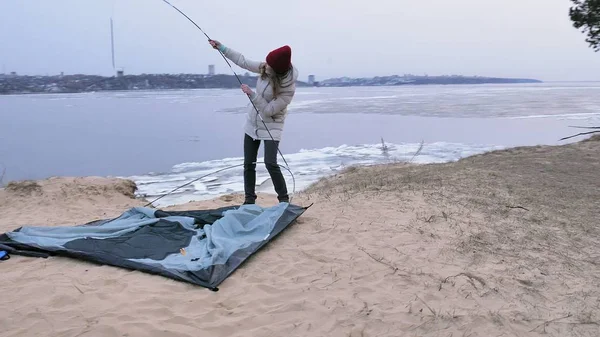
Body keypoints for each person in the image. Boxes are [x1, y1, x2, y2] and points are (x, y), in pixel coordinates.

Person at [208, 39, 299, 205]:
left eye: (270, 65)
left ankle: (284, 200)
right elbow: (242, 60)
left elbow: (269, 110)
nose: (266, 66)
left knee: (270, 163)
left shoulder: (288, 88)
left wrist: (252, 94)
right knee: (248, 163)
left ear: (278, 71)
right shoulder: (265, 67)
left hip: (272, 125)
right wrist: (221, 48)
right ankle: (249, 200)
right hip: (252, 123)